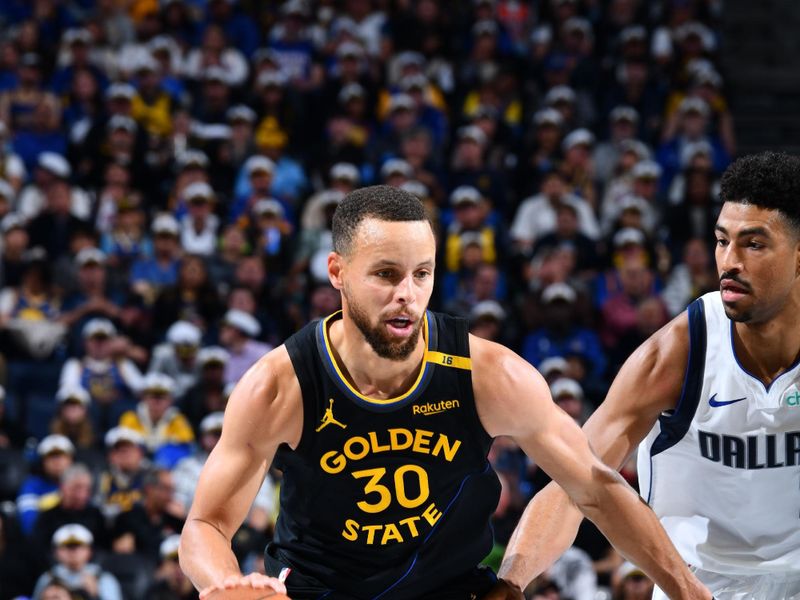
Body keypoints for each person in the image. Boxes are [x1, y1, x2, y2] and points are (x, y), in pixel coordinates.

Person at [179, 185, 709, 599]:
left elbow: (596, 487)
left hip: (452, 591)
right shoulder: (280, 385)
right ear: (337, 272)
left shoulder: (489, 374)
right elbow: (205, 524)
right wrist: (224, 584)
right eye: (385, 274)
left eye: (422, 274)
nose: (406, 295)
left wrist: (689, 592)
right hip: (320, 592)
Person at [494, 151, 800, 600]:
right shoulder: (681, 349)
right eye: (721, 241)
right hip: (696, 584)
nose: (729, 261)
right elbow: (578, 481)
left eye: (753, 244)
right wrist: (511, 583)